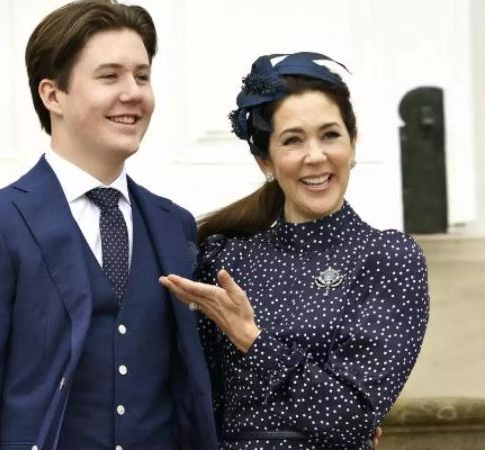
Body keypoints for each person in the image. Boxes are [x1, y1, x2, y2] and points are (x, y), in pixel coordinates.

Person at [0, 1, 217, 449]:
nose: (134, 93)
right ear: (52, 95)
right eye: (110, 76)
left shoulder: (174, 224)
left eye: (142, 76)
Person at [160, 52, 430, 449]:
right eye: (293, 140)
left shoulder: (388, 259)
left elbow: (351, 419)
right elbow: (194, 398)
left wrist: (251, 338)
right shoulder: (226, 260)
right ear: (264, 161)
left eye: (330, 135)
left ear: (353, 144)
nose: (315, 156)